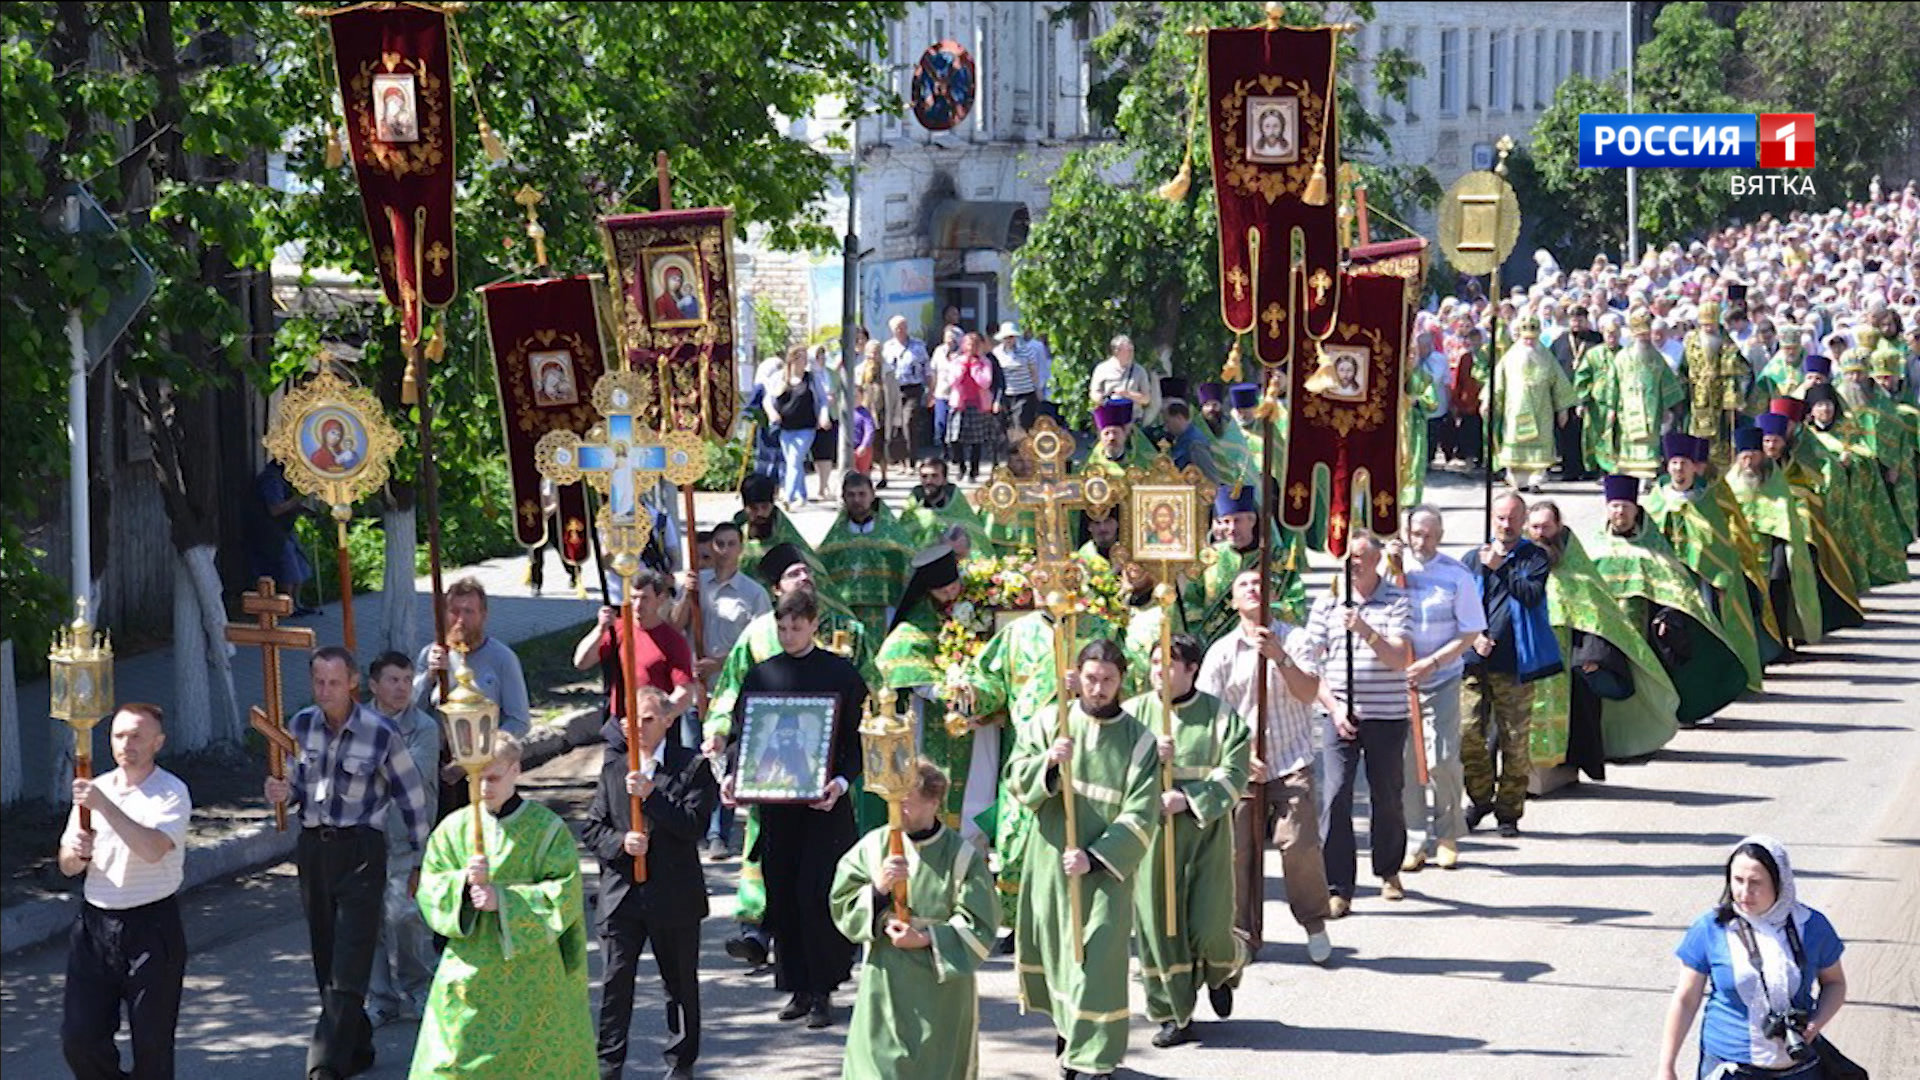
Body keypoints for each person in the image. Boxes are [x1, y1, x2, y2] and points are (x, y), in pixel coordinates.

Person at [268, 647, 430, 1080]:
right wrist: (283, 794)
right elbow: (299, 786)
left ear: (353, 682)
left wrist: (420, 857)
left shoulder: (379, 732)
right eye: (319, 682)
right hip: (314, 850)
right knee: (326, 954)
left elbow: (410, 795)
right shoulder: (302, 725)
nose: (326, 691)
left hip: (362, 849)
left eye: (334, 682)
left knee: (351, 955)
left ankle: (325, 1064)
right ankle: (356, 1043)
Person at [1005, 639, 1162, 1080]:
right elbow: (1016, 778)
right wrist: (1050, 766)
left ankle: (1095, 1060)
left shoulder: (1140, 741)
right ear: (1078, 676)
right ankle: (1070, 1036)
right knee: (1061, 955)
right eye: (1091, 678)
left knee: (1101, 958)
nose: (1098, 689)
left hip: (1105, 869)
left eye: (1108, 680)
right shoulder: (1051, 723)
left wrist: (1095, 858)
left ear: (1121, 682)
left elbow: (1142, 812)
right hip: (1053, 858)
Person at [409, 734, 596, 1079]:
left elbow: (565, 894)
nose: (483, 788)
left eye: (493, 777)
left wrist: (504, 900)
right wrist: (462, 884)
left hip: (532, 973)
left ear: (516, 770)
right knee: (452, 1060)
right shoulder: (453, 829)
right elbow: (430, 886)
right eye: (475, 779)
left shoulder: (547, 831)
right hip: (470, 969)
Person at [724, 589, 868, 1029]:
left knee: (816, 894)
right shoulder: (761, 676)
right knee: (783, 891)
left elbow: (858, 741)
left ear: (814, 624)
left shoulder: (840, 674)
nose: (789, 635)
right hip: (777, 807)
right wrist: (734, 774)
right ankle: (799, 988)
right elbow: (741, 734)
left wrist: (841, 782)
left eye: (797, 627)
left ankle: (824, 989)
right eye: (782, 628)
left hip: (825, 809)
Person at [829, 759, 999, 1080]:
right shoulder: (875, 846)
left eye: (906, 804)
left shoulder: (962, 857)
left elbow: (981, 923)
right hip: (885, 980)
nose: (897, 813)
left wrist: (926, 939)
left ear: (934, 802)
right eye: (894, 804)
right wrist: (879, 889)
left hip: (940, 989)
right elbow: (841, 901)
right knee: (877, 1067)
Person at [581, 687, 719, 1080]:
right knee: (614, 984)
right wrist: (621, 843)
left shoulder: (691, 767)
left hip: (673, 894)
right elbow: (592, 828)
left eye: (648, 719)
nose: (638, 728)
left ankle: (681, 1061)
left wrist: (651, 795)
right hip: (623, 895)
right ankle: (609, 1064)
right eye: (631, 720)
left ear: (667, 720)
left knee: (678, 983)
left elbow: (693, 824)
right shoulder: (613, 768)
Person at [1197, 569, 1331, 963]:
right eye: (1244, 586)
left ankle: (1313, 922)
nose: (1253, 590)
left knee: (1299, 843)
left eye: (1259, 584)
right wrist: (1235, 755)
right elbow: (1208, 713)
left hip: (1291, 760)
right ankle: (1243, 933)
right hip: (1243, 767)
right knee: (1238, 852)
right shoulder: (1221, 652)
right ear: (1234, 601)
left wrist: (1280, 658)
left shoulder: (1295, 638)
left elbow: (1309, 693)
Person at [58, 703, 190, 1080]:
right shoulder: (95, 789)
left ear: (157, 743)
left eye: (137, 736)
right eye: (119, 735)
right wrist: (76, 854)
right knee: (79, 1039)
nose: (126, 744)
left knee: (152, 1046)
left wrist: (106, 808)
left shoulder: (170, 792)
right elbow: (67, 863)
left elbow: (152, 850)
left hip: (152, 926)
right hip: (95, 925)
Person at [1132, 634, 1250, 1048]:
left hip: (1203, 835)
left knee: (1210, 925)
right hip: (1149, 837)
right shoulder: (1132, 715)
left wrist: (1188, 799)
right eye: (1152, 663)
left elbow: (1234, 774)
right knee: (1159, 928)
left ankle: (1225, 966)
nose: (1157, 672)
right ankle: (1172, 1014)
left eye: (1168, 664)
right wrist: (1151, 764)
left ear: (1191, 670)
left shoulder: (1220, 717)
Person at [1656, 837, 1848, 1080]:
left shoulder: (1811, 926)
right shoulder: (1711, 928)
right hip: (1730, 1068)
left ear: (1780, 883)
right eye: (1738, 880)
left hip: (1800, 1068)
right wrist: (1666, 1067)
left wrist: (1815, 1024)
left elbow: (1835, 983)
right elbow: (1686, 998)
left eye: (1756, 883)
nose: (1744, 892)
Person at [1521, 499, 1681, 783]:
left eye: (1546, 526)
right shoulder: (1517, 561)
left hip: (1569, 660)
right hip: (1525, 659)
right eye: (1534, 527)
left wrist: (1592, 657)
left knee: (1576, 713)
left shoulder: (1576, 566)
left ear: (1559, 526)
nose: (1540, 533)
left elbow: (1596, 612)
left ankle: (1566, 771)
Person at [1301, 535, 1413, 914]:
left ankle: (1388, 869)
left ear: (1379, 559)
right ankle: (1338, 886)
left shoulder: (1397, 599)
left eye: (1361, 556)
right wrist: (1334, 707)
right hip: (1339, 715)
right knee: (1335, 795)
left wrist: (1365, 631)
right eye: (1347, 557)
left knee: (1388, 795)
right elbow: (1312, 664)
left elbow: (1400, 658)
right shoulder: (1327, 602)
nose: (1353, 563)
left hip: (1387, 714)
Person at [1587, 477, 1750, 724]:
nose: (1619, 512)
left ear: (1636, 510)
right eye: (1615, 506)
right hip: (1606, 629)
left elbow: (1677, 588)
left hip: (1644, 628)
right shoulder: (1595, 546)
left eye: (1625, 506)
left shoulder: (1652, 547)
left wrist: (1668, 616)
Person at [1390, 506, 1486, 872]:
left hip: (1441, 677)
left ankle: (1447, 833)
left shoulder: (1456, 574)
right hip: (1400, 681)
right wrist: (1391, 568)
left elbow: (1470, 630)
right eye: (1416, 533)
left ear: (1440, 535)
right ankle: (1415, 840)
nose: (1421, 541)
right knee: (1407, 763)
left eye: (1429, 534)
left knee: (1441, 759)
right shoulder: (1393, 570)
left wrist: (1432, 663)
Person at [876, 546, 993, 843]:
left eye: (955, 585)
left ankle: (974, 847)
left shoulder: (978, 604)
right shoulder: (917, 621)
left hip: (980, 720)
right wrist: (940, 689)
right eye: (943, 590)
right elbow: (896, 655)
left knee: (979, 785)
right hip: (936, 720)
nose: (952, 593)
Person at [1461, 492, 1559, 839]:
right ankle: (1480, 797)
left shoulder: (1534, 557)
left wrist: (1501, 568)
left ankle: (1508, 811)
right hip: (1474, 661)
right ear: (1492, 518)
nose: (1506, 524)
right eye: (1501, 518)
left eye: (1513, 518)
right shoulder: (1473, 558)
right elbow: (1459, 604)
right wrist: (1472, 637)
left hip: (1514, 663)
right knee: (1468, 733)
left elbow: (1531, 595)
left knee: (1514, 741)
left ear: (1522, 521)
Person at [1641, 434, 1771, 689]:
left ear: (1694, 467)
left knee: (1705, 633)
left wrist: (1720, 573)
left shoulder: (1706, 498)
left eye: (1684, 463)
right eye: (1674, 463)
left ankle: (1717, 683)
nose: (1679, 468)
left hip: (1703, 578)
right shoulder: (1657, 499)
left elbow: (1719, 541)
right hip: (1668, 580)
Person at [364, 653, 441, 1029]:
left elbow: (408, 776)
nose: (402, 688)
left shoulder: (424, 726)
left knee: (404, 915)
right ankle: (381, 998)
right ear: (374, 685)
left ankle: (418, 986)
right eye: (393, 680)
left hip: (408, 840)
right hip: (363, 839)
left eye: (408, 680)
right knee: (370, 921)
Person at [816, 472, 915, 641]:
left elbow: (909, 562)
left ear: (872, 495)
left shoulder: (891, 532)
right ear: (844, 498)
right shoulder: (836, 537)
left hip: (885, 607)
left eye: (862, 494)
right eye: (851, 495)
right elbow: (822, 570)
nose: (857, 500)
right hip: (848, 609)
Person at [1594, 310, 1687, 480]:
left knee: (1650, 440)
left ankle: (1647, 476)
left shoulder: (1657, 358)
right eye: (1641, 335)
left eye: (1646, 335)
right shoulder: (1621, 357)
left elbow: (1667, 383)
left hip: (1652, 408)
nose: (1644, 339)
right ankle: (1630, 473)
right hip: (1627, 409)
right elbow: (1612, 384)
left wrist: (1668, 407)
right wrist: (1611, 407)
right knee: (1629, 440)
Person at [1490, 314, 1577, 492]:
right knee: (1515, 443)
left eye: (1533, 338)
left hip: (1541, 410)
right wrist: (1489, 401)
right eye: (1526, 339)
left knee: (1540, 444)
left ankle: (1535, 481)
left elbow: (1559, 383)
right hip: (1515, 409)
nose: (1529, 342)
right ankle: (1518, 481)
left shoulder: (1546, 356)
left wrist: (1562, 409)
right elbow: (1498, 381)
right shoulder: (1511, 356)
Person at [767, 345, 831, 510]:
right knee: (793, 462)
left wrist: (823, 415)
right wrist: (772, 413)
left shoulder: (811, 378)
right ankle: (801, 496)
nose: (805, 362)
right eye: (801, 358)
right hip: (785, 427)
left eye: (806, 358)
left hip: (806, 427)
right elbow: (768, 400)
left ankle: (788, 497)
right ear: (792, 359)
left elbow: (823, 400)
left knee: (795, 459)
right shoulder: (780, 378)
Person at [945, 331, 998, 482]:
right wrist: (962, 368)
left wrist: (975, 368)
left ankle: (973, 471)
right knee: (955, 438)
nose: (971, 348)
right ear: (963, 345)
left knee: (977, 440)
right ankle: (961, 467)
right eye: (969, 344)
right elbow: (952, 381)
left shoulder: (985, 362)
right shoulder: (956, 361)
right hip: (959, 404)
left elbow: (985, 382)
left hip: (978, 405)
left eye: (975, 345)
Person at [883, 315, 930, 457]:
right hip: (894, 389)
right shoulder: (888, 347)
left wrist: (930, 390)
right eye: (897, 328)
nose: (900, 330)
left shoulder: (918, 345)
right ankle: (899, 458)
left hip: (913, 389)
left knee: (908, 421)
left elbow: (926, 367)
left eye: (903, 327)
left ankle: (911, 458)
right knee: (896, 424)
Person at [1087, 334, 1159, 426]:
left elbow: (1146, 399)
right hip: (1108, 419)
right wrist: (1105, 401)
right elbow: (1094, 393)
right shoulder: (1102, 369)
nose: (1130, 354)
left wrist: (1128, 394)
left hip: (1132, 420)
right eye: (1127, 350)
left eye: (1131, 350)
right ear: (1116, 351)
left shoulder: (1139, 371)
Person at [994, 322, 1042, 436]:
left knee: (1021, 424)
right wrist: (996, 399)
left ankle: (1023, 450)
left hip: (1025, 393)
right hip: (1006, 394)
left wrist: (1038, 388)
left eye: (1011, 337)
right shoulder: (997, 353)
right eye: (1006, 338)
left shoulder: (1027, 350)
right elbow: (996, 376)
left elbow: (1033, 371)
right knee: (1006, 427)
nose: (1009, 340)